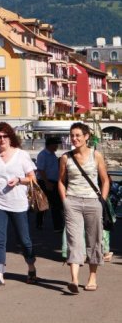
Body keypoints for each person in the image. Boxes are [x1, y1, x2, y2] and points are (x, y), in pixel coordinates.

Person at [0, 122, 38, 287]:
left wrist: (20, 180)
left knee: (24, 240)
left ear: (10, 137)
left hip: (18, 203)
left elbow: (32, 179)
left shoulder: (21, 155)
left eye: (5, 136)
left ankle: (31, 266)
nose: (1, 140)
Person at [58, 122, 110, 293]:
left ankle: (92, 276)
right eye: (72, 135)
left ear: (87, 136)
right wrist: (65, 200)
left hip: (92, 202)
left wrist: (101, 201)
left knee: (94, 240)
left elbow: (105, 180)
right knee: (74, 240)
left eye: (78, 135)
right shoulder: (66, 157)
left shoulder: (96, 156)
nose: (74, 138)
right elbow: (61, 181)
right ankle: (74, 279)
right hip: (72, 202)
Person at [35, 136, 63, 232]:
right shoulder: (43, 155)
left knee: (53, 204)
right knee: (48, 204)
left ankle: (54, 225)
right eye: (55, 144)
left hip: (53, 181)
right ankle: (56, 226)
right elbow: (40, 169)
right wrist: (46, 182)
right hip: (45, 181)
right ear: (50, 145)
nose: (57, 146)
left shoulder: (53, 154)